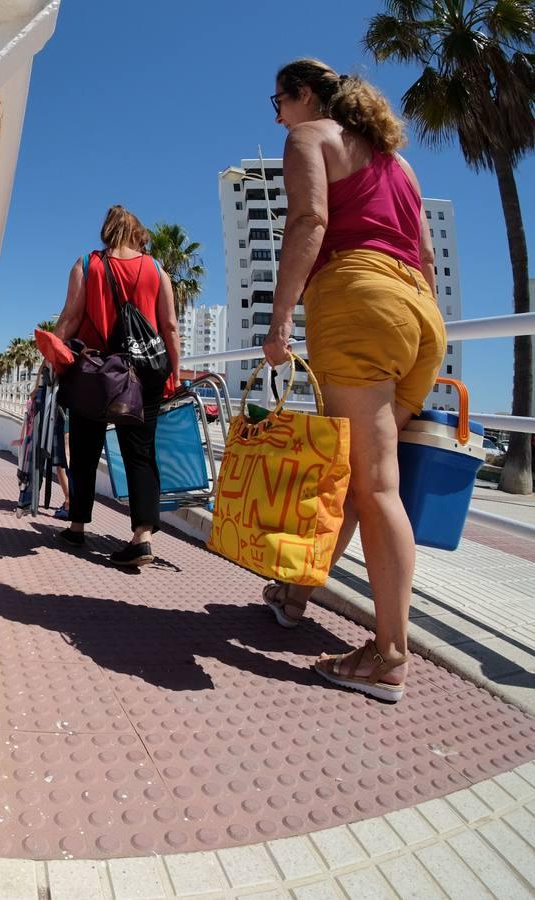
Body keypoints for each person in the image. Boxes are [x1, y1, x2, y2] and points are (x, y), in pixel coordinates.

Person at [259, 59, 445, 703]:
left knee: (374, 485)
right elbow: (422, 255)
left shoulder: (310, 137)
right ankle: (295, 594)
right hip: (418, 314)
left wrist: (280, 319)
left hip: (359, 303)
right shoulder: (402, 166)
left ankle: (390, 654)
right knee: (353, 472)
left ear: (305, 96)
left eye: (278, 99)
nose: (278, 112)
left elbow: (309, 222)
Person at [52, 205, 182, 566]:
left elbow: (71, 317)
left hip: (95, 371)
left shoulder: (87, 263)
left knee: (84, 450)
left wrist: (52, 360)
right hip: (144, 375)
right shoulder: (157, 269)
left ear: (106, 230)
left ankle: (77, 527)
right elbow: (169, 326)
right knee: (140, 454)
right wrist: (174, 371)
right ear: (138, 232)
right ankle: (141, 538)